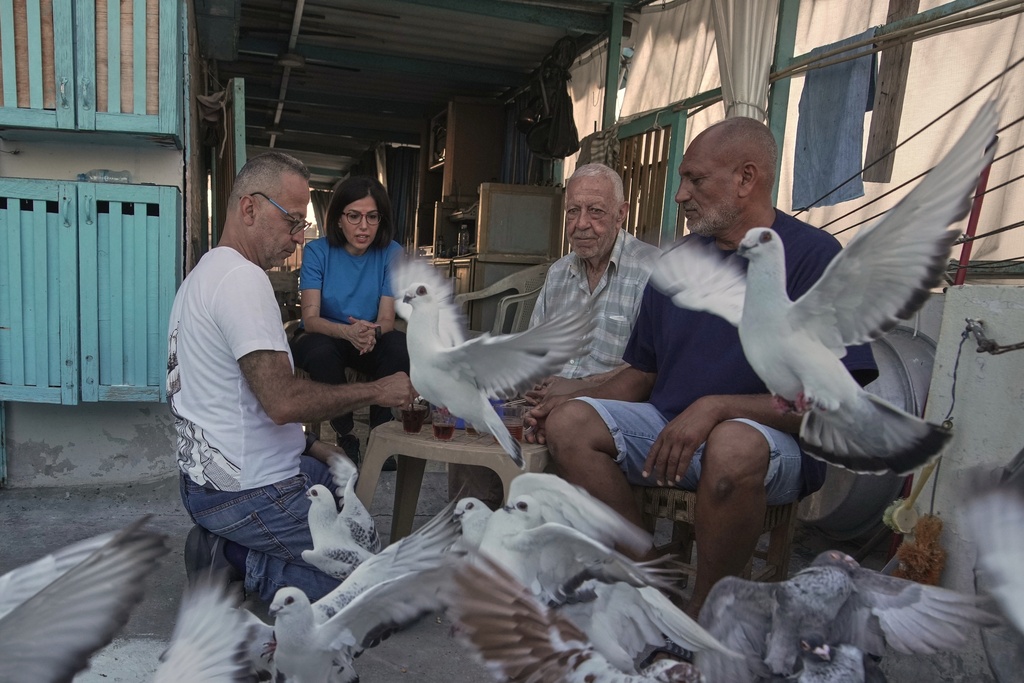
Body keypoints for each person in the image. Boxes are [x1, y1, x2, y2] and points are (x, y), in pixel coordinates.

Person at [526, 117, 878, 617]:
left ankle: (707, 613)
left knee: (733, 443)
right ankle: (654, 579)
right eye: (682, 181)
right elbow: (640, 375)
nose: (680, 195)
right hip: (672, 431)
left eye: (695, 180)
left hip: (772, 446)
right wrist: (572, 398)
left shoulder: (816, 258)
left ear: (746, 178)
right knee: (570, 424)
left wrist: (716, 408)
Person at [167, 152, 416, 603]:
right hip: (243, 491)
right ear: (249, 208)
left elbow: (231, 404)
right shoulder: (242, 281)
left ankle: (241, 542)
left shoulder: (203, 276)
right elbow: (281, 401)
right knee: (372, 590)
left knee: (338, 481)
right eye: (292, 222)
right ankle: (230, 556)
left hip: (209, 481)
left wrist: (312, 444)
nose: (298, 237)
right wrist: (379, 389)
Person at [447, 163, 661, 509]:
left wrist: (576, 391)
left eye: (595, 212)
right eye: (573, 211)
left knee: (562, 429)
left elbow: (652, 371)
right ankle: (475, 543)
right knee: (477, 420)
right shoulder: (560, 272)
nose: (580, 225)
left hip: (609, 410)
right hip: (548, 402)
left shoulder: (652, 271)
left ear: (622, 213)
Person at [290, 176, 409, 466]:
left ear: (381, 220)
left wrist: (369, 332)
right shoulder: (318, 251)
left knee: (398, 345)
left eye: (372, 217)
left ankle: (382, 434)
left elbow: (387, 320)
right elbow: (311, 318)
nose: (364, 226)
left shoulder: (391, 253)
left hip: (368, 336)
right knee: (320, 352)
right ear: (339, 219)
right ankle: (346, 435)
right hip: (325, 334)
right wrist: (348, 332)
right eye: (354, 216)